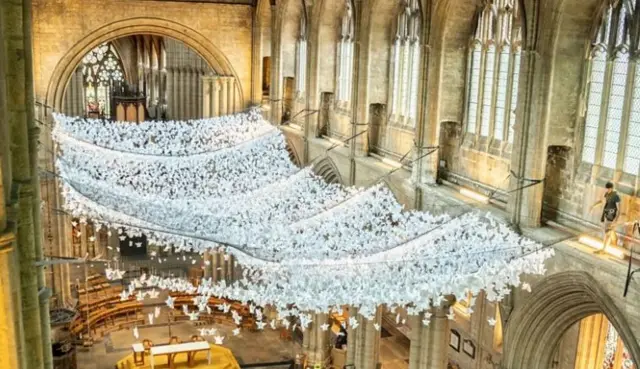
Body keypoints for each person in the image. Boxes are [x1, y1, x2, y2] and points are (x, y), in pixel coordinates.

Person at [589, 181, 621, 253]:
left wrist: (615, 220)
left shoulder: (616, 196)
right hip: (607, 214)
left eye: (608, 189)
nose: (607, 190)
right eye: (606, 189)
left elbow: (619, 209)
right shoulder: (606, 194)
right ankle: (615, 240)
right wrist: (593, 206)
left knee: (607, 232)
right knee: (608, 231)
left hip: (612, 216)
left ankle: (603, 249)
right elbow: (602, 201)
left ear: (611, 188)